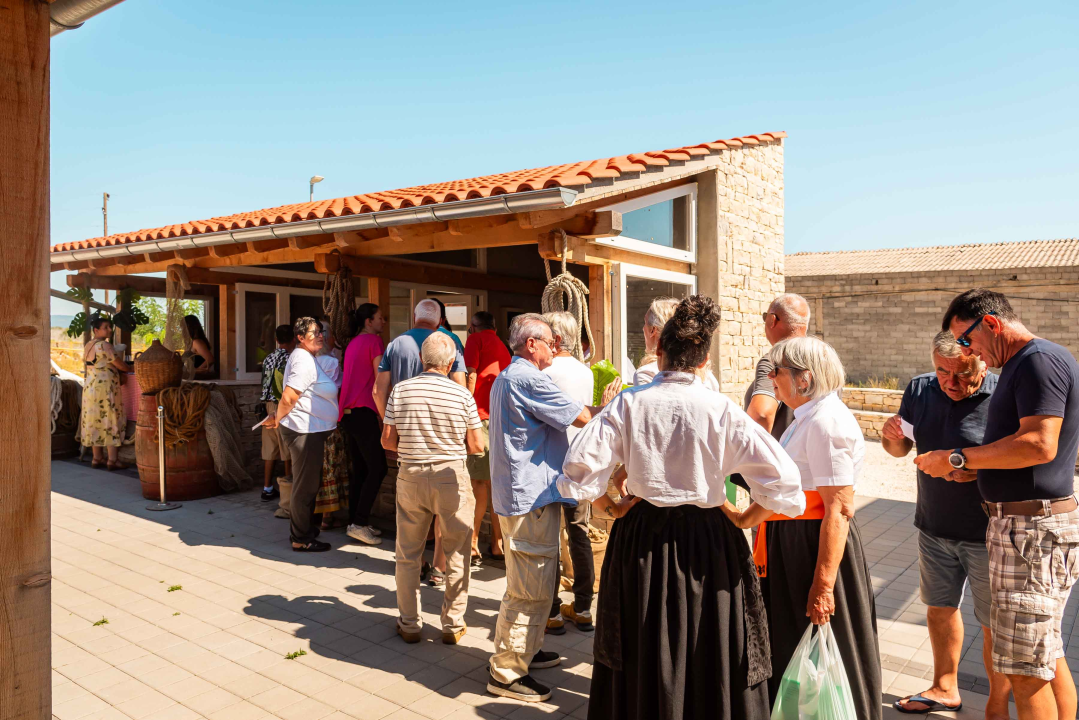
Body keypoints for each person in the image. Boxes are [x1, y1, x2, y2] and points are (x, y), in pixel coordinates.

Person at [557, 295, 805, 720]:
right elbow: (785, 483)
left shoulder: (628, 403)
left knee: (642, 639)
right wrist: (745, 517)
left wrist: (611, 505)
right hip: (709, 540)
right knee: (710, 644)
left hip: (641, 538)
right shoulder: (720, 408)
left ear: (658, 352)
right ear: (704, 360)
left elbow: (577, 470)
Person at [916, 289, 1079, 720]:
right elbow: (1024, 450)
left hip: (1031, 534)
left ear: (989, 324)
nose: (968, 351)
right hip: (1027, 529)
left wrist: (956, 457)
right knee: (1045, 656)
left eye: (967, 341)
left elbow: (1040, 443)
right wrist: (982, 472)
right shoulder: (1031, 362)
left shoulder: (1036, 360)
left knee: (1026, 673)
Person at [722, 336, 880, 720]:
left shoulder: (827, 423)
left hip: (811, 548)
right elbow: (786, 492)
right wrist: (742, 518)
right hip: (792, 543)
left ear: (804, 379)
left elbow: (838, 509)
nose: (770, 379)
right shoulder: (806, 418)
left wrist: (823, 586)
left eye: (776, 372)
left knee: (821, 643)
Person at [485, 313, 615, 703]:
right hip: (530, 501)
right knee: (530, 589)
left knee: (535, 583)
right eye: (549, 343)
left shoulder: (512, 376)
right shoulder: (526, 377)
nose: (555, 350)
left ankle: (528, 649)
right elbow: (581, 418)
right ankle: (507, 672)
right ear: (531, 345)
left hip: (525, 498)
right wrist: (607, 405)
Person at [883, 332, 1010, 715]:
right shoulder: (920, 388)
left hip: (989, 533)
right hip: (934, 527)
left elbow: (1023, 459)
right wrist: (890, 437)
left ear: (982, 362)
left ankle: (998, 703)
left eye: (963, 374)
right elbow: (900, 448)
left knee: (994, 623)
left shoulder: (1005, 394)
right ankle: (944, 688)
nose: (951, 383)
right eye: (943, 372)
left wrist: (974, 470)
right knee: (940, 608)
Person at [381, 333, 484, 645]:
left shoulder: (400, 390)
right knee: (457, 552)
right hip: (451, 477)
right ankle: (453, 624)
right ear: (450, 362)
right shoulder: (463, 395)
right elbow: (477, 444)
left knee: (408, 554)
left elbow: (387, 440)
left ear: (422, 361)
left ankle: (410, 623)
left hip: (410, 475)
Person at [373, 299, 467, 587]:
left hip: (409, 438)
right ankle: (439, 567)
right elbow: (461, 388)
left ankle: (416, 564)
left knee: (411, 508)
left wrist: (393, 421)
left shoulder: (395, 344)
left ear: (414, 317)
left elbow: (378, 390)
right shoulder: (449, 341)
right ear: (439, 321)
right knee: (443, 507)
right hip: (443, 438)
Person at [541, 311, 597, 634]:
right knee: (580, 535)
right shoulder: (585, 372)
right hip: (579, 462)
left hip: (550, 463)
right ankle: (584, 607)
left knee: (548, 538)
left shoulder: (545, 371)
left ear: (556, 338)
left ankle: (551, 611)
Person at [264, 316, 340, 553]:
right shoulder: (303, 360)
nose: (320, 336)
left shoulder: (307, 357)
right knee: (305, 486)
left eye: (320, 332)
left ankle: (304, 528)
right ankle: (301, 538)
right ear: (299, 337)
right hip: (303, 432)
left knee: (308, 483)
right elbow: (289, 396)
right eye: (314, 332)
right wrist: (278, 418)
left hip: (309, 430)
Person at [463, 311, 511, 565]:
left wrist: (465, 411)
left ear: (473, 327)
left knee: (478, 484)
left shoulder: (475, 340)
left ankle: (472, 544)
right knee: (495, 485)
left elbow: (471, 375)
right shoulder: (503, 345)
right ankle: (497, 543)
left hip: (480, 417)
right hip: (501, 420)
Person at [338, 303, 388, 547]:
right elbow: (380, 381)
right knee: (378, 468)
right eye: (380, 318)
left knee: (361, 469)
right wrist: (386, 416)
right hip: (363, 411)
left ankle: (354, 523)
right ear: (369, 321)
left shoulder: (352, 343)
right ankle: (358, 523)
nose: (383, 322)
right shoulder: (374, 342)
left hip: (348, 413)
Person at [744, 293, 810, 439]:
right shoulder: (821, 357)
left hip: (782, 458)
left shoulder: (775, 360)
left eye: (764, 317)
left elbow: (761, 415)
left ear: (772, 320)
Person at [633, 297, 720, 391]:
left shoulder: (646, 374)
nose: (643, 328)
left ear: (652, 330)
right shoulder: (709, 377)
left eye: (645, 323)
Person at [81, 315, 132, 470]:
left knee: (95, 420)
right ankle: (113, 460)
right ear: (96, 330)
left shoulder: (89, 345)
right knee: (110, 419)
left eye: (110, 327)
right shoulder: (104, 345)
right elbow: (121, 366)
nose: (110, 330)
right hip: (105, 387)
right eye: (106, 327)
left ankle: (97, 458)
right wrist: (129, 368)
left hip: (91, 386)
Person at [315, 320, 349, 531]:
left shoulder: (304, 361)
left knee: (315, 468)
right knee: (330, 467)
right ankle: (327, 516)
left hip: (310, 424)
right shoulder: (330, 363)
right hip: (329, 422)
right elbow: (340, 390)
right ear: (327, 338)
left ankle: (315, 514)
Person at [258, 324, 294, 502]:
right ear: (294, 339)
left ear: (276, 340)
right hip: (283, 406)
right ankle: (289, 493)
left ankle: (267, 488)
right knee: (287, 449)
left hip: (268, 407)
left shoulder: (268, 358)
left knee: (270, 449)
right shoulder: (291, 358)